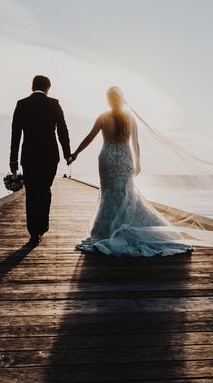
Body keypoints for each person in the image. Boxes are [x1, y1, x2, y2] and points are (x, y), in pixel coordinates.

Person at [69, 86, 192, 257]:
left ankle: (106, 231)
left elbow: (89, 137)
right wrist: (138, 163)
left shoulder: (103, 117)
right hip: (125, 159)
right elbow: (136, 142)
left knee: (108, 194)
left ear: (108, 100)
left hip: (107, 159)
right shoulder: (129, 118)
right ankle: (126, 228)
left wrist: (75, 153)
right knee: (126, 194)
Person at [9, 75, 71, 244]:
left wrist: (13, 161)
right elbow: (62, 130)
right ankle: (42, 225)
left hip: (28, 156)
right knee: (45, 189)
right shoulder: (54, 104)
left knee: (31, 193)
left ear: (32, 87)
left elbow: (15, 134)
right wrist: (67, 153)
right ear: (48, 88)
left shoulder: (22, 104)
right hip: (50, 156)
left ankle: (33, 232)